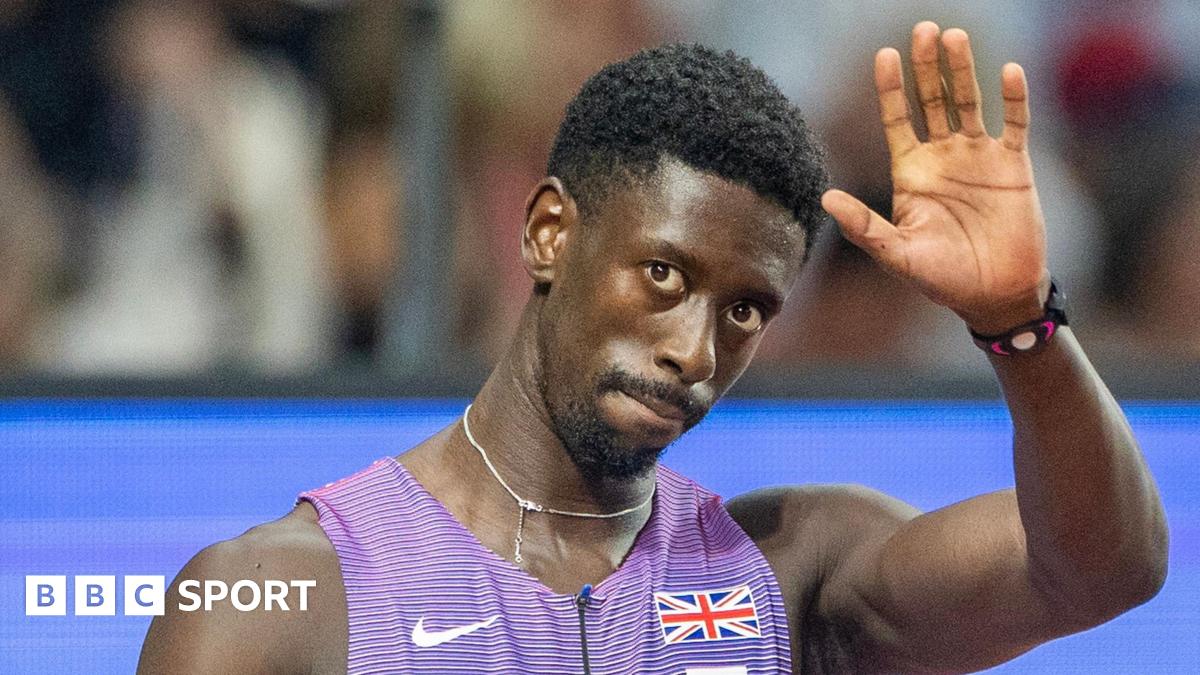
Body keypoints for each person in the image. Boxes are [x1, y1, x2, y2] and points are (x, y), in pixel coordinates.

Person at [137, 22, 1168, 673]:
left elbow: (1098, 573)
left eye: (747, 310)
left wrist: (1019, 326)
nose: (694, 348)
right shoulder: (277, 601)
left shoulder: (796, 572)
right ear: (549, 233)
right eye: (665, 277)